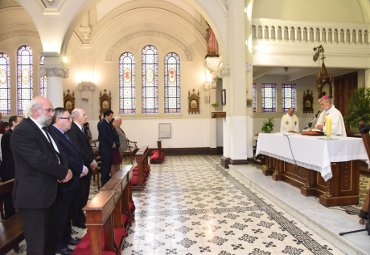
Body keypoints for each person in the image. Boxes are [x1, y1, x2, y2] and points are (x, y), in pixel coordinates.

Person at [11, 96, 72, 255]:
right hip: (34, 198)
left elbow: (58, 154)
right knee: (38, 245)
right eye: (49, 110)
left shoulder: (44, 129)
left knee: (49, 242)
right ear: (36, 110)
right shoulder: (22, 131)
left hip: (48, 194)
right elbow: (38, 160)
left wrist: (63, 169)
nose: (52, 114)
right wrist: (63, 172)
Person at [48, 108, 88, 254]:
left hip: (73, 179)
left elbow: (74, 152)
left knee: (67, 211)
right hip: (65, 180)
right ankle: (60, 244)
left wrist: (81, 167)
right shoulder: (54, 134)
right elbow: (64, 157)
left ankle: (67, 238)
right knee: (62, 214)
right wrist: (80, 168)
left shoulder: (63, 133)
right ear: (58, 120)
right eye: (68, 118)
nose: (70, 121)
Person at [68, 108, 97, 229]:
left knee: (84, 193)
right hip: (81, 167)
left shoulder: (81, 128)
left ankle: (81, 216)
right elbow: (78, 150)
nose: (86, 116)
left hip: (86, 166)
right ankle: (77, 219)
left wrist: (92, 159)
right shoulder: (73, 130)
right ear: (76, 117)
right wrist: (90, 161)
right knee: (79, 195)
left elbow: (86, 147)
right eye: (84, 115)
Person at [0, 115, 23, 219]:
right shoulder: (8, 135)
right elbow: (15, 152)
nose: (21, 123)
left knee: (16, 194)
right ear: (13, 123)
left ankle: (16, 216)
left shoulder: (15, 134)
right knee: (9, 196)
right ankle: (10, 217)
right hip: (10, 170)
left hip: (16, 169)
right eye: (19, 121)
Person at [98, 110, 116, 186]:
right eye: (111, 116)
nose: (111, 117)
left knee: (108, 165)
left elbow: (111, 134)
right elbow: (105, 136)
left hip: (108, 148)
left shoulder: (108, 123)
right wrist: (112, 143)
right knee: (105, 166)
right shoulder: (102, 123)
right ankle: (104, 183)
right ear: (106, 116)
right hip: (105, 148)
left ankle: (107, 181)